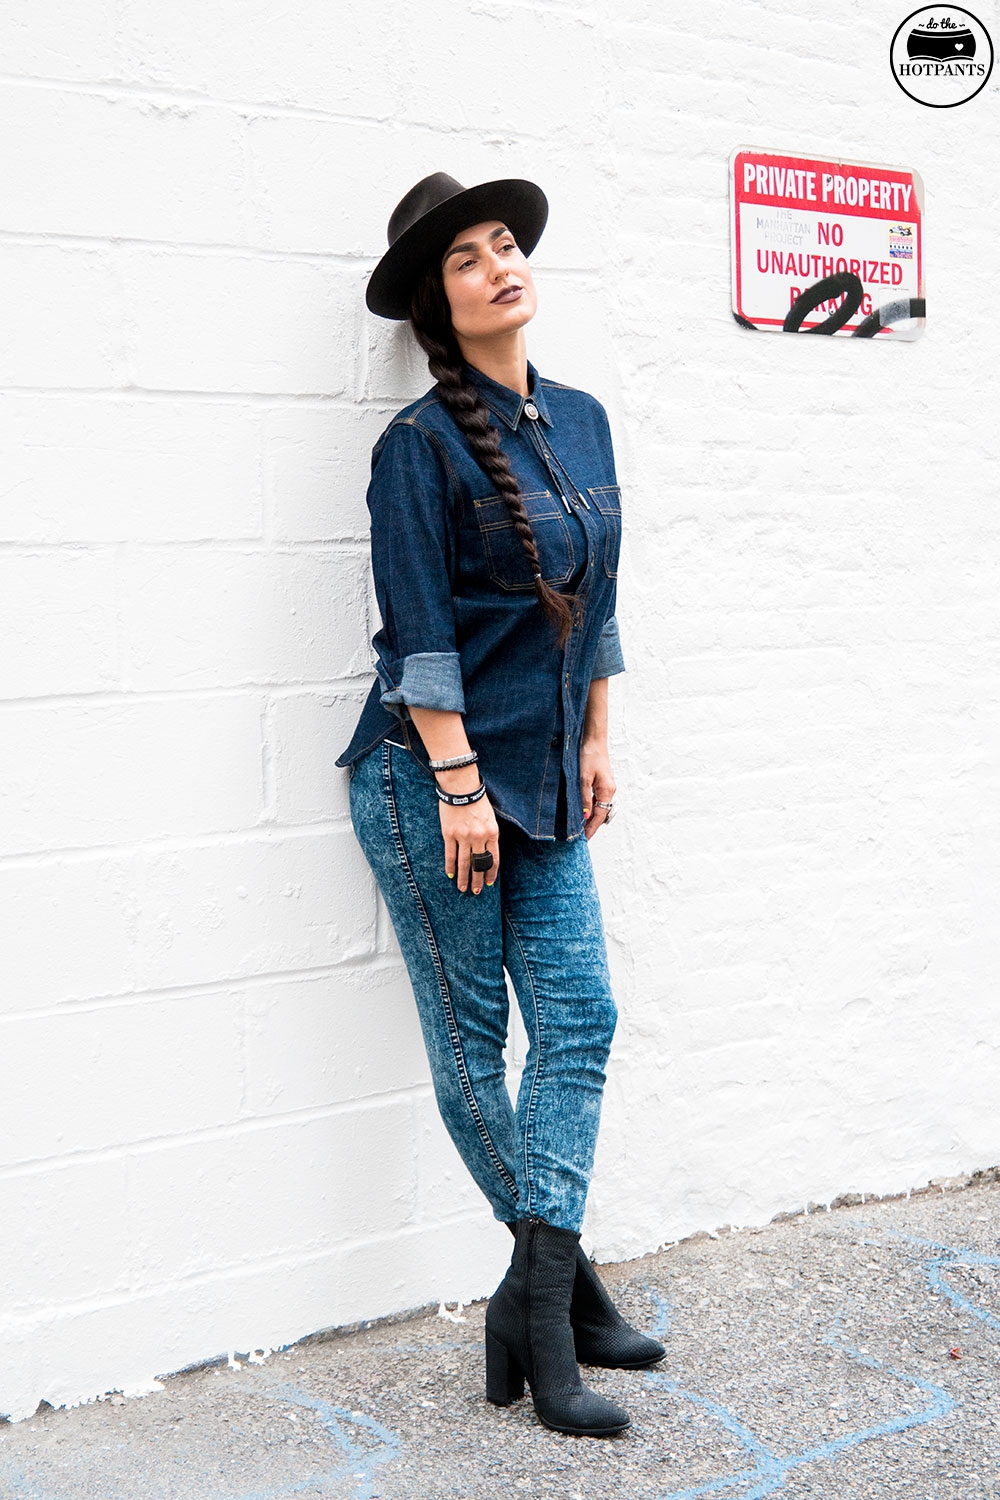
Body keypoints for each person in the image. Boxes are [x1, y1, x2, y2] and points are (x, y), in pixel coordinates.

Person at [335, 173, 664, 1438]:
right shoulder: (415, 449)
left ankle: (536, 1293)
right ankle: (555, 1301)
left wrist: (593, 732)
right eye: (466, 260)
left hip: (544, 771)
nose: (497, 266)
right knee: (476, 1052)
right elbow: (418, 634)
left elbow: (603, 599)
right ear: (438, 302)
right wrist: (460, 784)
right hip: (435, 782)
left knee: (579, 1015)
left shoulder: (579, 420)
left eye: (507, 245)